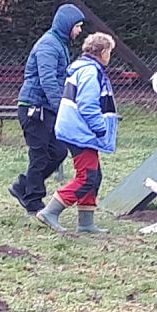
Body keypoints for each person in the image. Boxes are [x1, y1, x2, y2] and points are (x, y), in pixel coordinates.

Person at [36, 32, 119, 233]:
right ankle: (50, 212)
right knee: (87, 176)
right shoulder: (91, 72)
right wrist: (100, 128)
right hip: (82, 132)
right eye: (110, 51)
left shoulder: (84, 68)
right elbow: (87, 104)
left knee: (94, 176)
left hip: (78, 130)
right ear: (103, 52)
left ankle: (86, 223)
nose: (110, 56)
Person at [10, 4, 85, 214]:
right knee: (40, 154)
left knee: (58, 151)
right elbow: (48, 80)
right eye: (77, 26)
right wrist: (61, 107)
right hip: (34, 108)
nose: (79, 31)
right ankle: (33, 201)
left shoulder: (58, 44)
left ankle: (23, 186)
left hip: (45, 108)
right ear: (67, 25)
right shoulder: (48, 46)